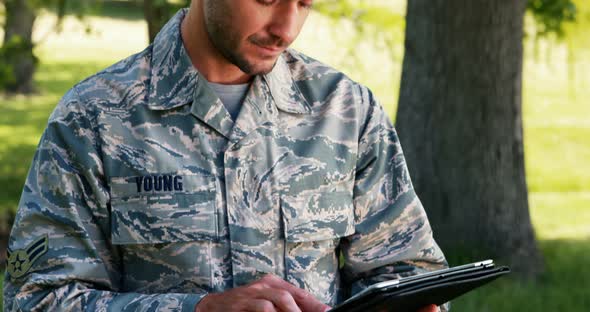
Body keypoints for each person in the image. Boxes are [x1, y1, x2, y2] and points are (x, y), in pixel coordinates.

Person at [4, 0, 448, 311]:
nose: (286, 29)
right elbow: (38, 299)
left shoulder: (345, 111)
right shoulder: (94, 119)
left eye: (305, 3)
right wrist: (198, 311)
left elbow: (404, 269)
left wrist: (407, 302)